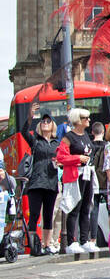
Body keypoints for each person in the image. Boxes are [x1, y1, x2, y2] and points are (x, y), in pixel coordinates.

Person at [56, 107, 96, 254]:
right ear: (78, 120)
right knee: (74, 207)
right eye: (86, 118)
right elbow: (60, 157)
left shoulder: (85, 135)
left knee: (86, 206)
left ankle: (85, 240)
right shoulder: (68, 137)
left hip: (87, 173)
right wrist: (77, 158)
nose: (89, 120)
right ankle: (72, 241)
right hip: (74, 174)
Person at [22, 107, 59, 255]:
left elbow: (63, 158)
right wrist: (30, 116)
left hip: (51, 181)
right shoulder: (35, 141)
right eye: (42, 121)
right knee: (35, 214)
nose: (45, 123)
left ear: (52, 125)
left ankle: (46, 244)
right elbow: (24, 132)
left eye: (48, 121)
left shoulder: (57, 143)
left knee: (49, 215)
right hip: (37, 182)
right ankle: (34, 246)